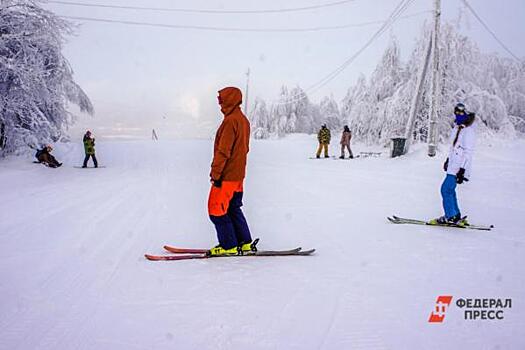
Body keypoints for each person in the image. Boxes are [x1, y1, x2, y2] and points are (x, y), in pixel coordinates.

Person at [207, 86, 253, 256]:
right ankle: (244, 242)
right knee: (233, 208)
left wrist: (216, 175)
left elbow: (223, 152)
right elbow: (244, 149)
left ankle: (228, 246)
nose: (220, 104)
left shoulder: (230, 121)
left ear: (230, 100)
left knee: (216, 210)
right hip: (238, 176)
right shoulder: (243, 120)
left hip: (226, 176)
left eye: (222, 100)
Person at [431, 104, 476, 226]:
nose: (458, 115)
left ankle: (450, 216)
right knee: (450, 190)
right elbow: (454, 148)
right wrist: (448, 160)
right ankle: (455, 215)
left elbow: (468, 152)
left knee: (445, 189)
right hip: (453, 165)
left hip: (459, 167)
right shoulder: (457, 128)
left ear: (466, 114)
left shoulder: (468, 131)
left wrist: (462, 170)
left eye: (461, 113)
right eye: (456, 112)